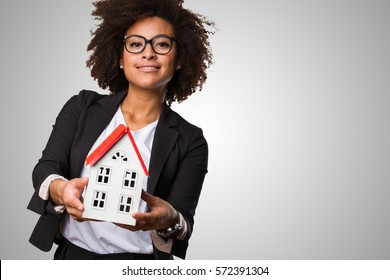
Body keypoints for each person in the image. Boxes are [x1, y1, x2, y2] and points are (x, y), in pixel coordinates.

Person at [27, 0, 214, 260]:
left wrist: (169, 219)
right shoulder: (82, 107)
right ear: (120, 58)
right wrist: (62, 190)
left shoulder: (190, 140)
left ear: (180, 59)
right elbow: (46, 168)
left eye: (161, 44)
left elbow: (183, 222)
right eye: (136, 44)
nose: (148, 53)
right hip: (74, 258)